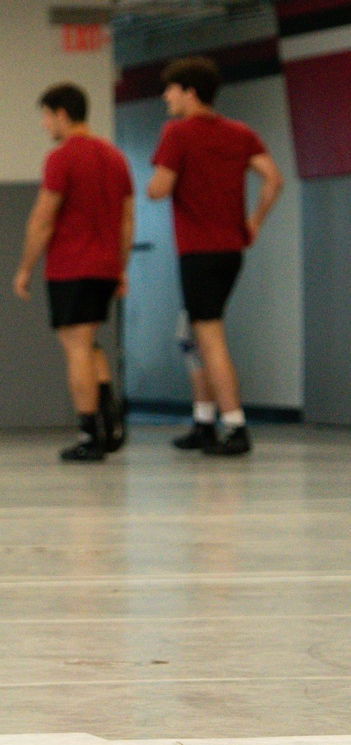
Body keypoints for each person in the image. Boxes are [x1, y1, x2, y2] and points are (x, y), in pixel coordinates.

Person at [148, 56, 283, 456]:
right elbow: (272, 179)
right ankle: (204, 422)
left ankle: (235, 425)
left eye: (170, 89)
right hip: (229, 250)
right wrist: (253, 221)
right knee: (189, 335)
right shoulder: (240, 133)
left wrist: (159, 179)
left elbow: (159, 187)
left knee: (209, 336)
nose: (165, 96)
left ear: (189, 92)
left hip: (199, 251)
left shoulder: (177, 133)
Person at [14, 83, 134, 463]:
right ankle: (109, 421)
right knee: (90, 342)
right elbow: (127, 220)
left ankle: (89, 433)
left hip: (71, 267)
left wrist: (25, 268)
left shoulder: (61, 157)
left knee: (76, 347)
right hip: (104, 267)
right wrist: (121, 266)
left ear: (61, 114)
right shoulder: (116, 158)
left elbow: (42, 219)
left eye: (46, 116)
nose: (45, 125)